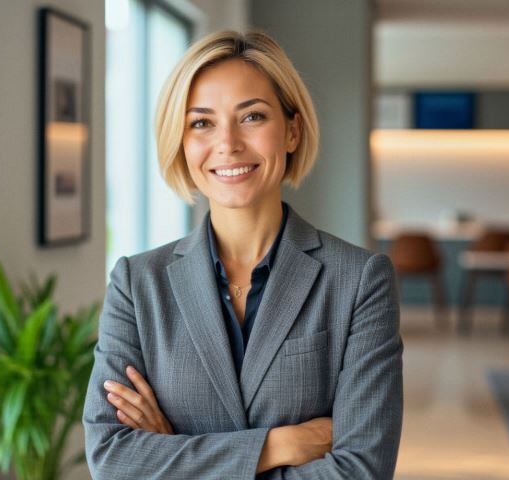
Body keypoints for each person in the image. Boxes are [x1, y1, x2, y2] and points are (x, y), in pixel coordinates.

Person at [82, 30, 403, 479]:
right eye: (201, 123)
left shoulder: (359, 279)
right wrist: (274, 446)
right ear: (181, 141)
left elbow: (361, 470)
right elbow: (113, 460)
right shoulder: (137, 283)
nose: (228, 143)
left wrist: (174, 451)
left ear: (291, 131)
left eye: (251, 116)